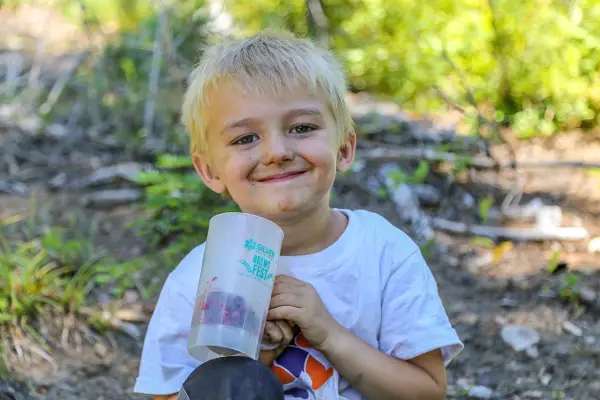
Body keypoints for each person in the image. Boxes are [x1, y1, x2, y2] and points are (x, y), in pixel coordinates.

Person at [133, 29, 464, 400]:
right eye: (245, 139)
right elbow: (167, 395)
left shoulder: (383, 253)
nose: (277, 151)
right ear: (210, 170)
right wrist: (252, 358)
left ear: (344, 148)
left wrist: (327, 332)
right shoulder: (198, 282)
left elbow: (428, 392)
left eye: (302, 128)